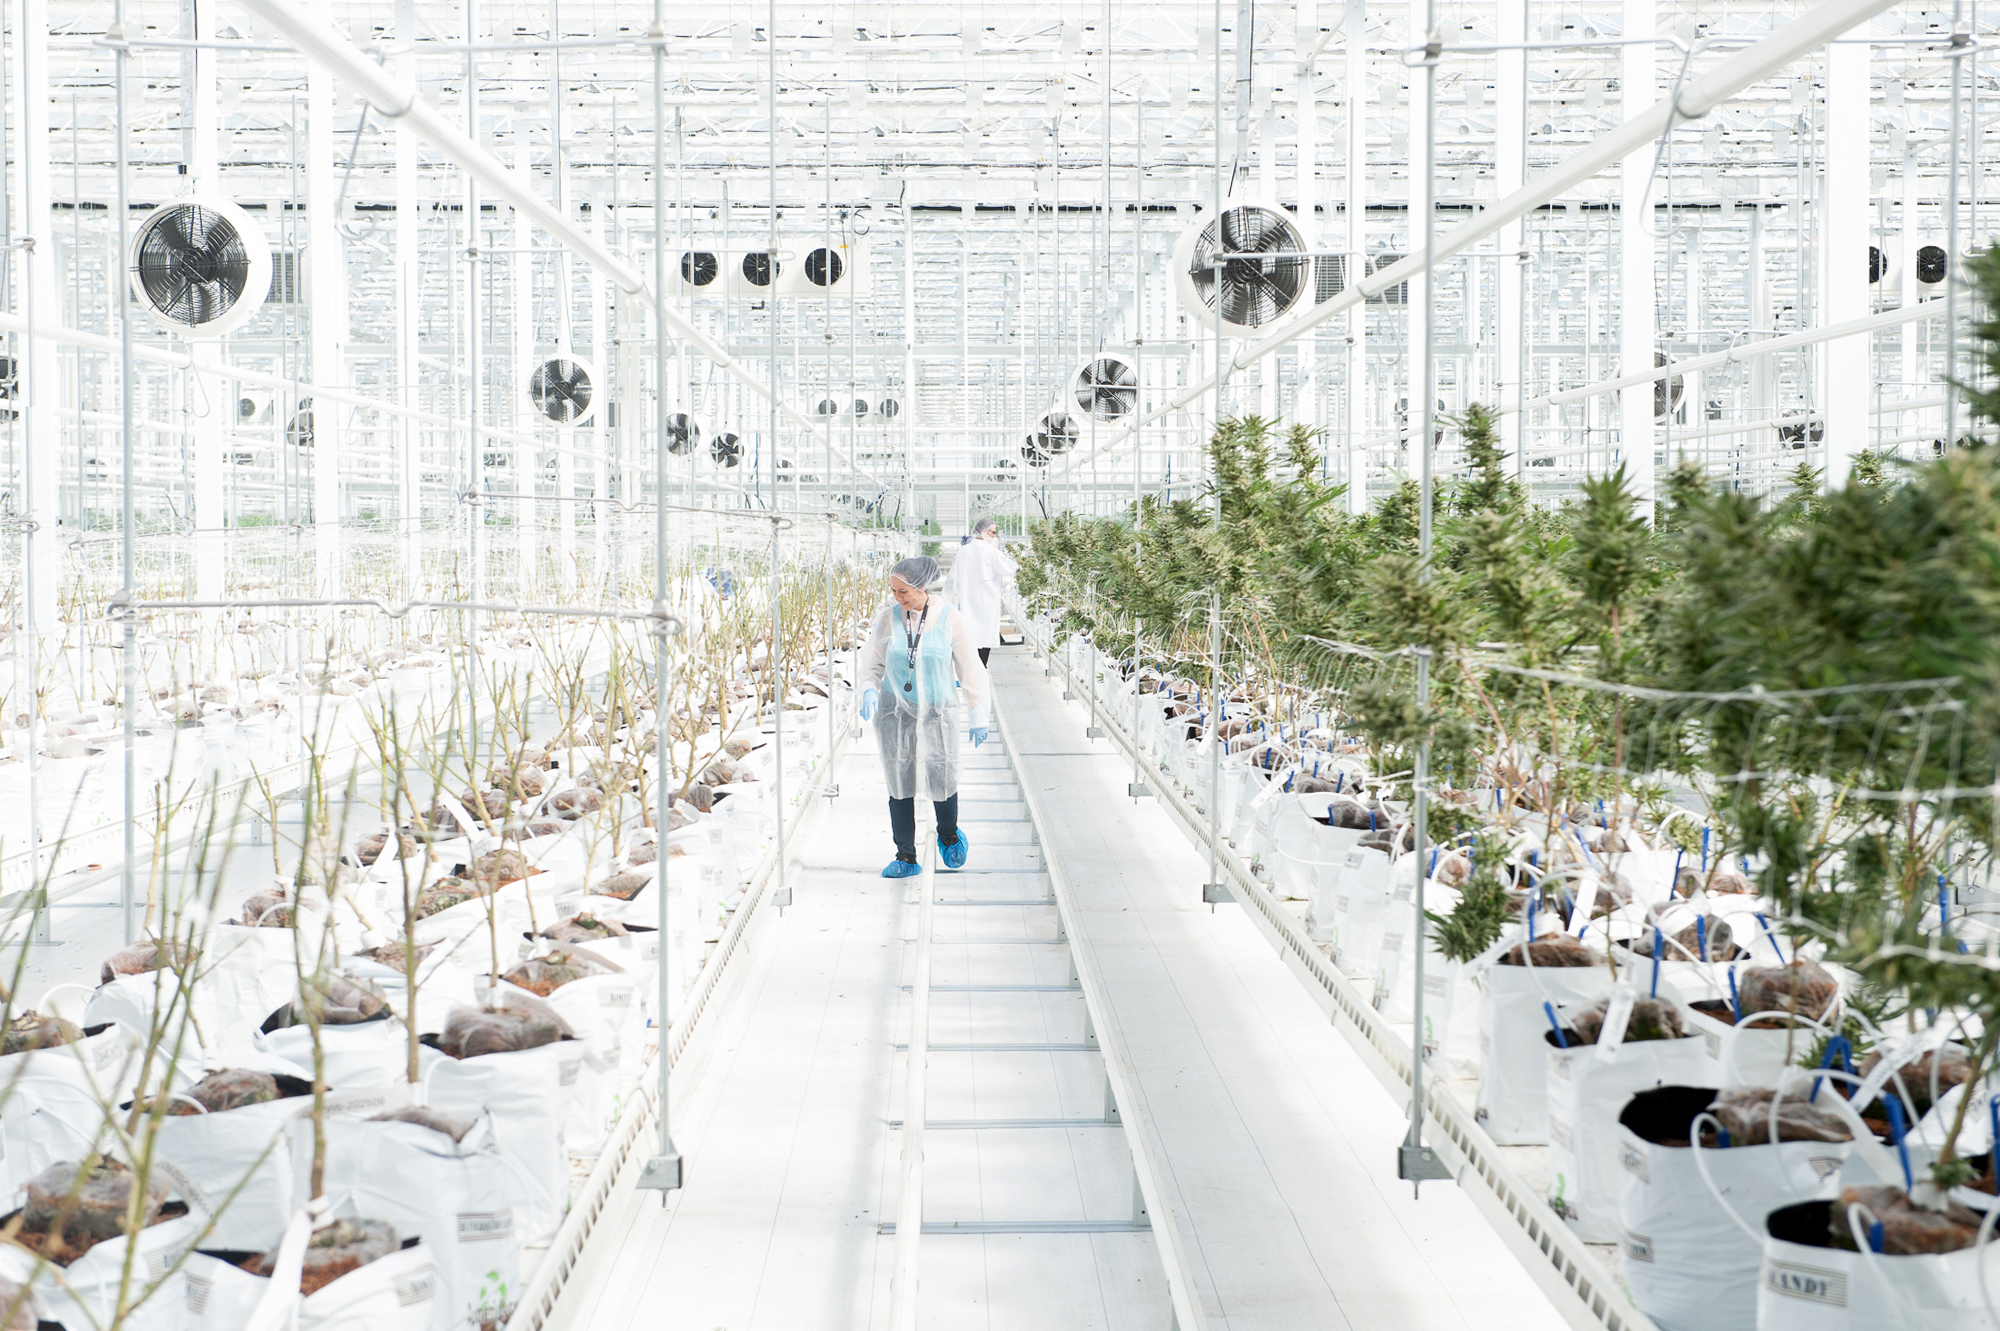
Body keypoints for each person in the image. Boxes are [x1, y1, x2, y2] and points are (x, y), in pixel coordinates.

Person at [858, 556, 990, 878]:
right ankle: (906, 856)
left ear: (921, 587)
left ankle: (949, 834)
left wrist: (978, 711)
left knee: (942, 774)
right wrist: (868, 689)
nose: (897, 598)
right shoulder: (888, 619)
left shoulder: (949, 618)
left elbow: (969, 666)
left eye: (903, 591)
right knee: (898, 781)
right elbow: (873, 660)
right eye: (893, 591)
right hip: (894, 712)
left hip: (937, 711)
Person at [951, 517, 1014, 667]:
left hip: (967, 601)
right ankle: (981, 669)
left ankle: (971, 671)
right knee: (985, 636)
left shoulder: (963, 551)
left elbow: (956, 578)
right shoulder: (991, 551)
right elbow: (1010, 569)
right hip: (987, 601)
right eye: (993, 532)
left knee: (970, 636)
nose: (994, 536)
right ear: (984, 532)